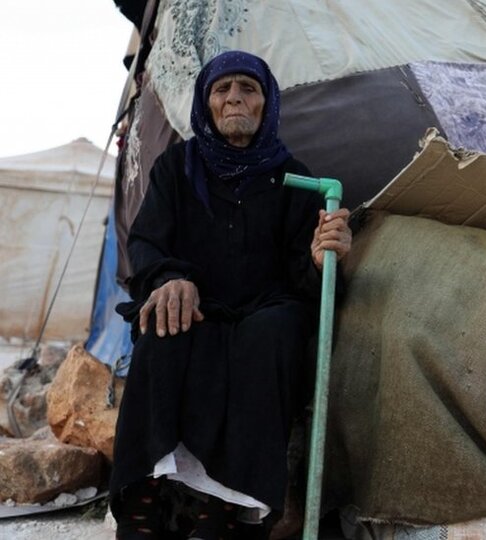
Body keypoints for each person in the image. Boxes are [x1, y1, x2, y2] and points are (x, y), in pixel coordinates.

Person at [110, 50, 351, 539]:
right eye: (222, 89)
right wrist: (167, 279)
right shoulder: (175, 168)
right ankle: (142, 500)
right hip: (196, 303)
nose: (234, 97)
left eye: (248, 88)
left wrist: (322, 260)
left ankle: (226, 508)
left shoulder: (295, 178)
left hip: (265, 308)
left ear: (268, 103)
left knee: (273, 334)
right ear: (206, 102)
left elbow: (306, 280)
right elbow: (147, 243)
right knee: (164, 325)